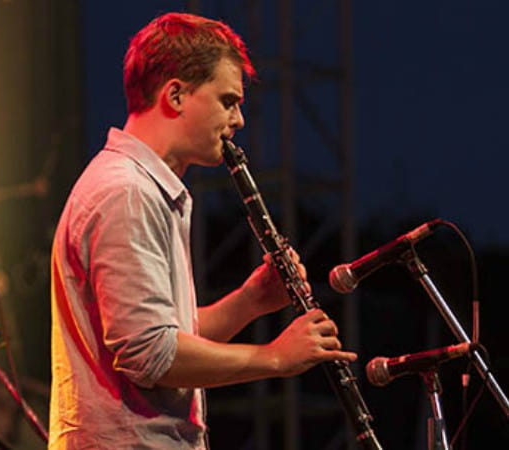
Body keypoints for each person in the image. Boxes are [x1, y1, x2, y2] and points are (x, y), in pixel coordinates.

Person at [49, 11, 357, 449]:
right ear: (176, 95)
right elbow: (151, 356)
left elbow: (169, 336)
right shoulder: (127, 191)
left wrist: (251, 301)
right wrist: (275, 357)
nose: (239, 121)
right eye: (227, 101)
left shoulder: (146, 189)